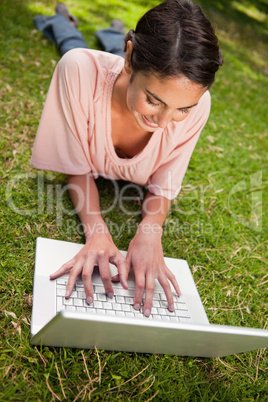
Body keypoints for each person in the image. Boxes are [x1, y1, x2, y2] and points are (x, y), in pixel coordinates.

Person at [31, 0, 223, 317]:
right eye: (153, 100)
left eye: (182, 109)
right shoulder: (78, 71)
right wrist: (97, 231)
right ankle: (65, 21)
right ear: (130, 57)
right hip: (102, 68)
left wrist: (151, 231)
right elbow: (75, 167)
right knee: (72, 45)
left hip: (132, 61)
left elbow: (164, 186)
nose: (163, 123)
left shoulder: (199, 105)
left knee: (126, 62)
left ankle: (113, 33)